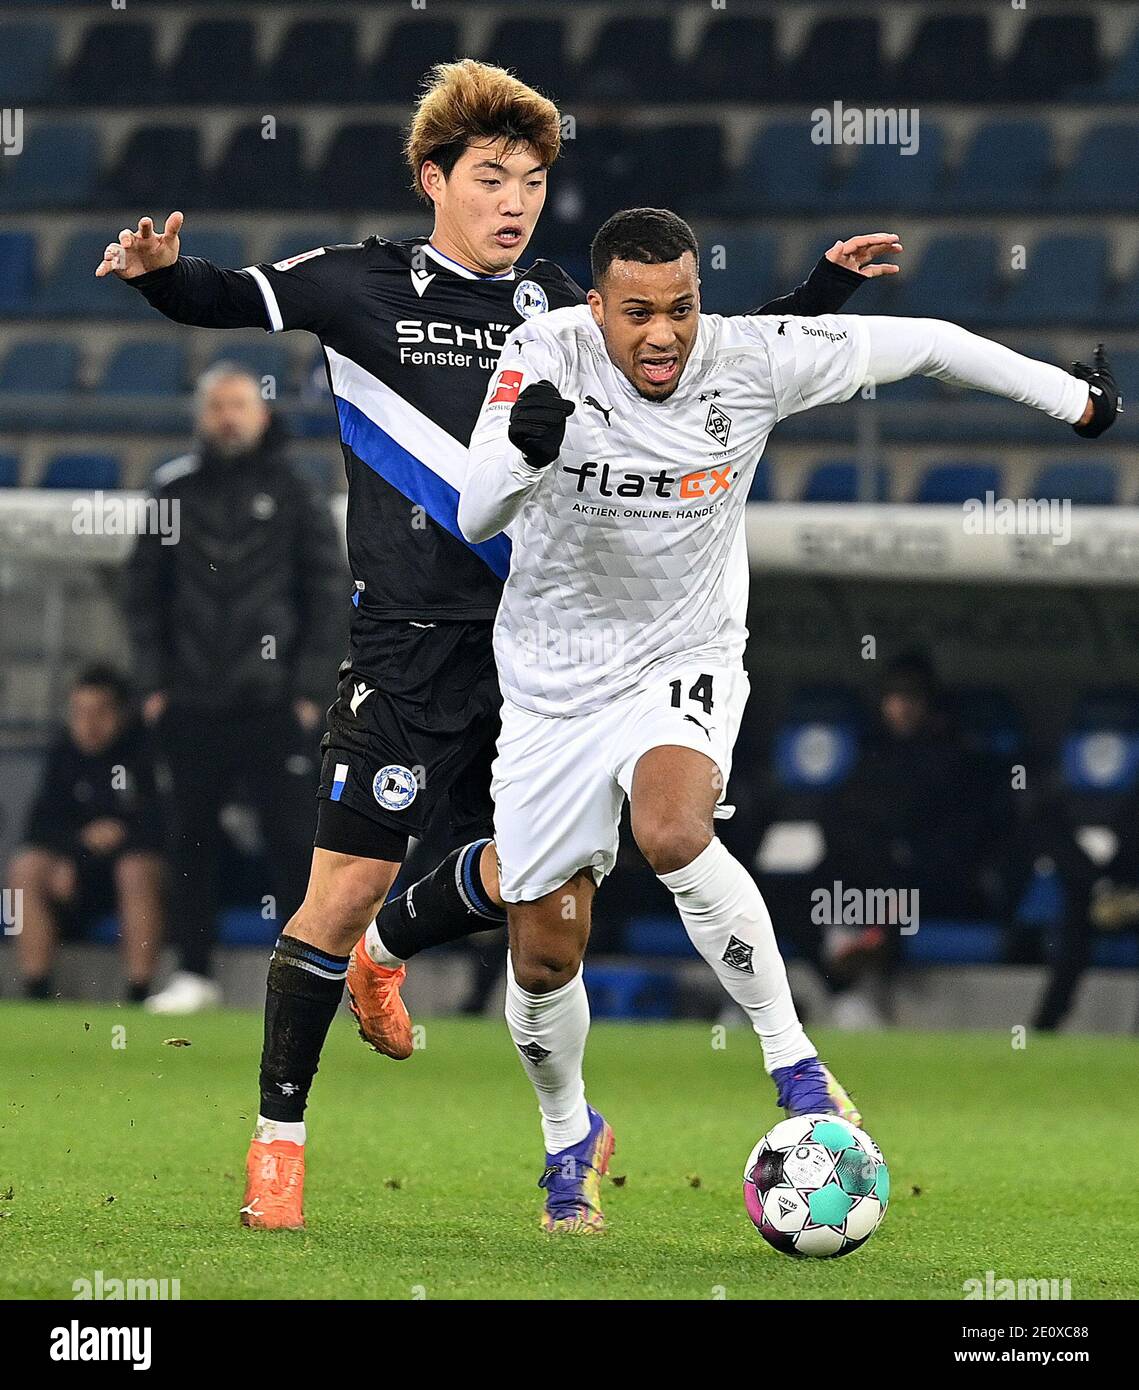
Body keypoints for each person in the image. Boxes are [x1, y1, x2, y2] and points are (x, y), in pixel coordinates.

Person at [95, 58, 900, 1229]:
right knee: (334, 893)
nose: (515, 200)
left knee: (544, 931)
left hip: (546, 655)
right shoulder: (355, 283)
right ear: (434, 179)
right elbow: (220, 293)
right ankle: (278, 1145)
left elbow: (708, 358)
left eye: (530, 178)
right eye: (490, 177)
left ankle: (514, 1074)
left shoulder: (566, 312)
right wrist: (161, 278)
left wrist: (818, 291)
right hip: (407, 649)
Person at [457, 207, 1119, 1232]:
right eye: (637, 313)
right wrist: (523, 455)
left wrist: (1073, 401)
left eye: (679, 307)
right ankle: (567, 1136)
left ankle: (795, 1066)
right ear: (597, 308)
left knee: (672, 829)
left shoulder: (749, 358)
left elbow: (932, 346)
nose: (663, 334)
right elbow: (473, 514)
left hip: (683, 657)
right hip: (551, 683)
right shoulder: (544, 353)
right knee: (544, 955)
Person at [127, 364, 345, 1014]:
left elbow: (328, 596)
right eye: (217, 406)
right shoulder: (173, 490)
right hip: (191, 700)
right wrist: (153, 686)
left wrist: (308, 689)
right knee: (189, 838)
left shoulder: (297, 493)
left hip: (273, 702)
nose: (228, 417)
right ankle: (193, 971)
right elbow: (143, 597)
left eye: (239, 405)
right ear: (202, 416)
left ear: (262, 413)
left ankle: (305, 973)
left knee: (291, 838)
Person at [7, 665, 164, 1001]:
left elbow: (166, 823)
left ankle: (139, 993)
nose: (89, 724)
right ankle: (36, 988)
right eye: (79, 712)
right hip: (77, 877)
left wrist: (121, 834)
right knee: (25, 868)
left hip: (134, 875)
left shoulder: (146, 752)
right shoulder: (63, 755)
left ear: (122, 714)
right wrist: (74, 850)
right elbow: (38, 825)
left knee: (134, 870)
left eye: (100, 712)